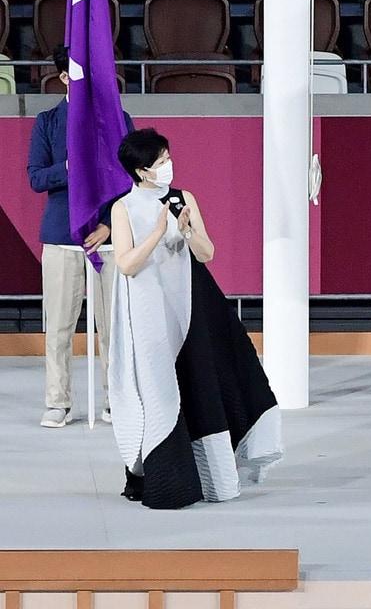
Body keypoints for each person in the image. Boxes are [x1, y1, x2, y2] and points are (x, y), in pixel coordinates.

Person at [108, 128, 282, 509]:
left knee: (199, 380)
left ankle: (212, 476)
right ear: (141, 171)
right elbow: (125, 264)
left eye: (169, 158)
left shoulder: (183, 198)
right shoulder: (123, 208)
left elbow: (207, 253)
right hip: (148, 312)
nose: (168, 166)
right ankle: (162, 478)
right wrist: (155, 233)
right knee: (160, 392)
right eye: (160, 162)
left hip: (187, 306)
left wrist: (186, 231)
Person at [26, 47, 134, 428]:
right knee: (58, 326)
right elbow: (37, 177)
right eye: (78, 73)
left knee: (114, 328)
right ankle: (58, 402)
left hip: (107, 239)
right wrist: (72, 167)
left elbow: (131, 179)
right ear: (64, 78)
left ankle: (114, 399)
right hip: (60, 238)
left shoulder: (117, 120)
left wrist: (108, 224)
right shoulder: (47, 122)